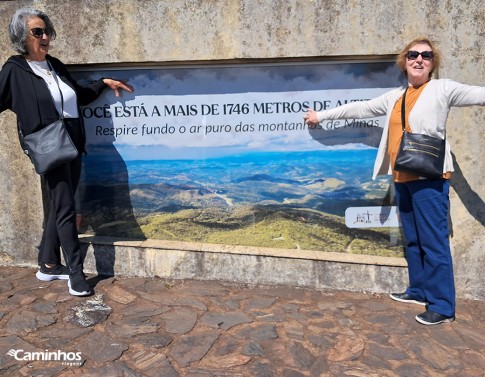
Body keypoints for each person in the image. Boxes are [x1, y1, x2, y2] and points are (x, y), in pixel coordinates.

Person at [304, 37, 485, 325]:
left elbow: (480, 94)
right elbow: (359, 108)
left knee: (434, 242)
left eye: (426, 56)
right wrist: (321, 116)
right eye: (413, 54)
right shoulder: (395, 97)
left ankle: (442, 307)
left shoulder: (443, 88)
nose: (419, 60)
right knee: (413, 239)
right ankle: (418, 290)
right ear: (404, 61)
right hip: (402, 176)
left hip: (430, 178)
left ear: (432, 63)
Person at [0, 7, 134, 296]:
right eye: (38, 32)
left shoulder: (55, 65)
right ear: (23, 36)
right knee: (66, 208)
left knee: (60, 205)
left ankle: (48, 264)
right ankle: (75, 273)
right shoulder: (14, 69)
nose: (45, 36)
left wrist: (102, 84)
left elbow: (78, 95)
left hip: (73, 144)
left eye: (47, 31)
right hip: (48, 146)